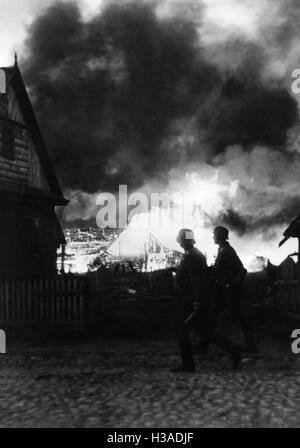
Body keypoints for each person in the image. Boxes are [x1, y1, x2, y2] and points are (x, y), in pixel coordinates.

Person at [171, 228, 242, 372]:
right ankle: (235, 352)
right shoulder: (194, 254)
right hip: (193, 299)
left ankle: (188, 364)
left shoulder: (191, 256)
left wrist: (197, 302)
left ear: (183, 241)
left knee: (182, 328)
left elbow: (197, 281)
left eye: (180, 240)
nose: (179, 243)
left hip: (192, 300)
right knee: (204, 332)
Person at [210, 226, 257, 353]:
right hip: (224, 290)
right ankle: (205, 342)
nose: (213, 236)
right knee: (213, 315)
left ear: (220, 236)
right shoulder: (222, 250)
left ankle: (250, 346)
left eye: (214, 234)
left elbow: (242, 269)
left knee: (239, 317)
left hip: (230, 292)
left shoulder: (227, 251)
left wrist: (234, 282)